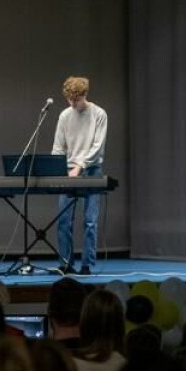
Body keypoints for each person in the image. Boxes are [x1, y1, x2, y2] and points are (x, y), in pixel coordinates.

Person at [52, 76, 108, 275]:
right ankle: (65, 263)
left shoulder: (99, 114)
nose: (72, 103)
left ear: (85, 95)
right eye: (69, 99)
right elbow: (58, 147)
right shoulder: (64, 116)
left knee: (90, 221)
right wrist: (56, 169)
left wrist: (80, 166)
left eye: (76, 99)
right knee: (64, 220)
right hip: (68, 171)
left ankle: (87, 265)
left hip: (91, 170)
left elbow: (97, 146)